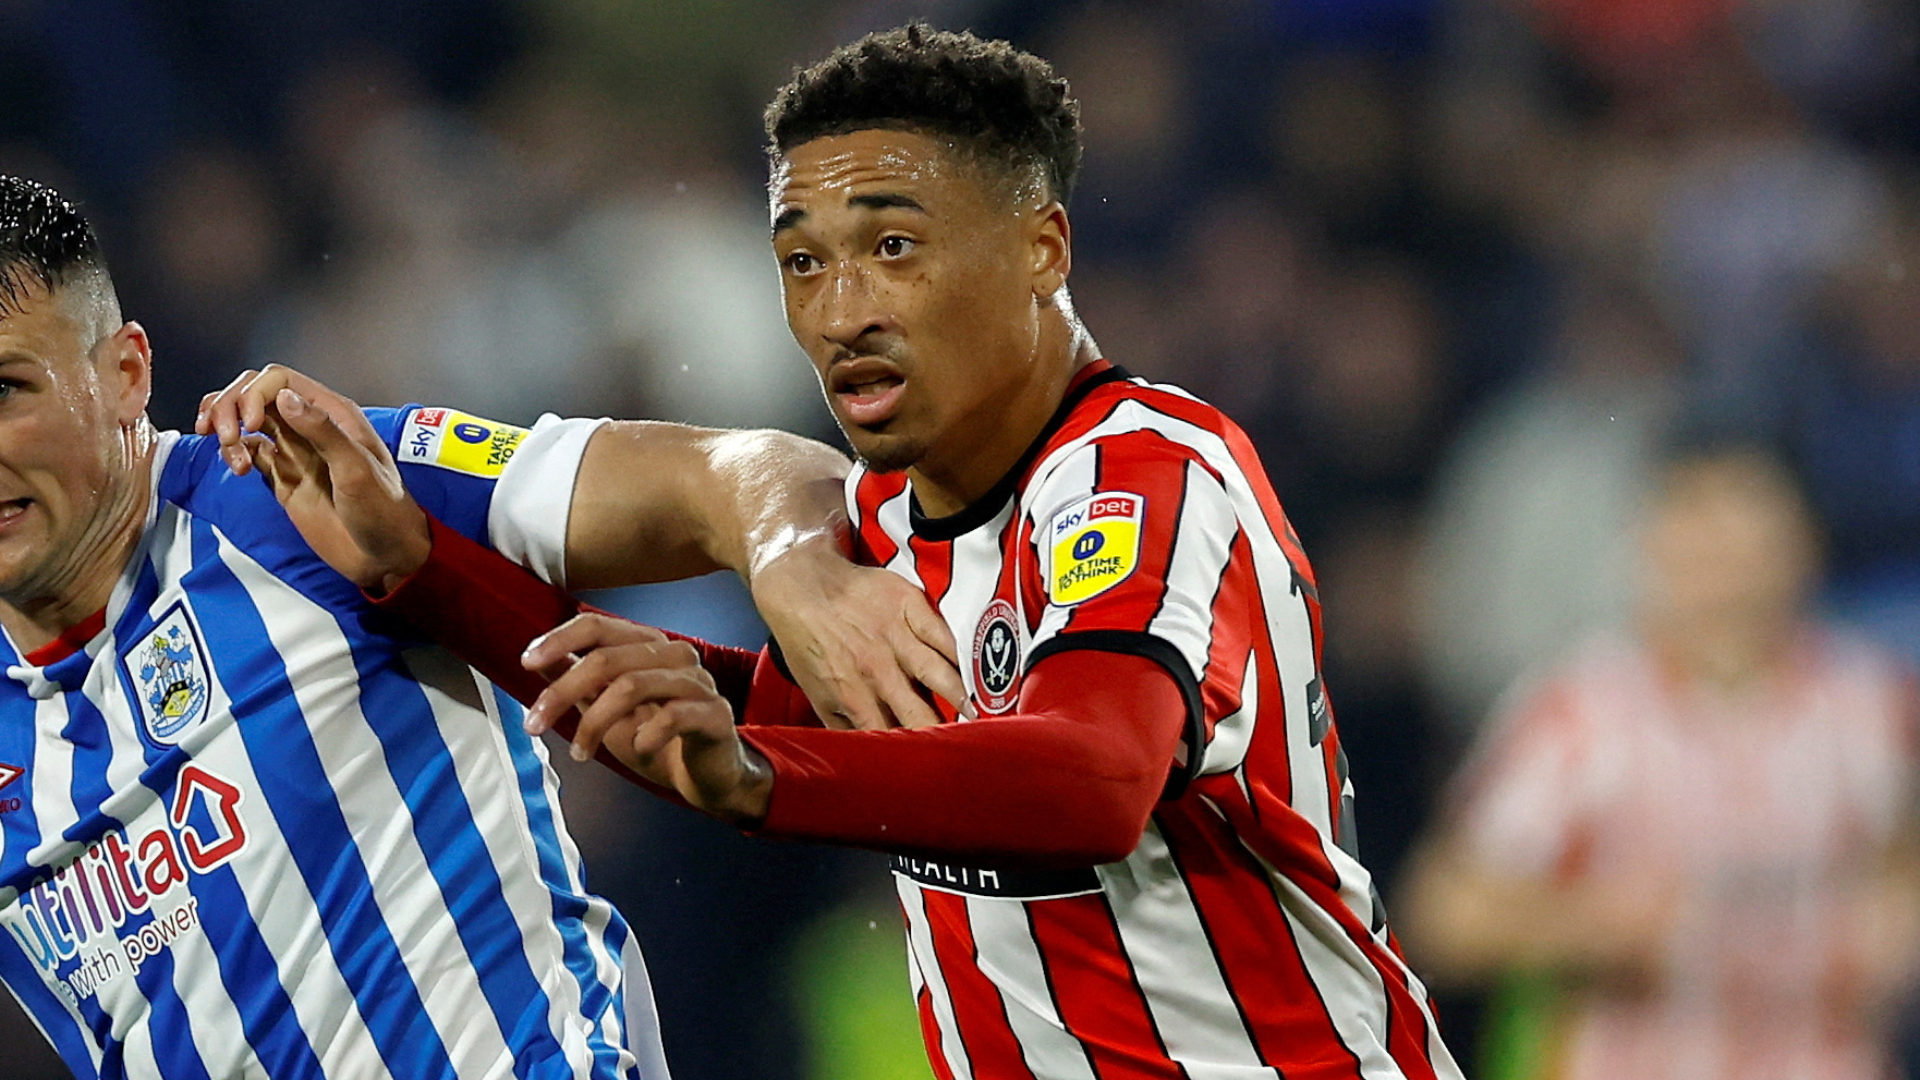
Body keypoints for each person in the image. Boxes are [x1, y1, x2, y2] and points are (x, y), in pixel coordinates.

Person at [212, 25, 1465, 1080]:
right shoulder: (883, 521)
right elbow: (752, 716)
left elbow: (1094, 778)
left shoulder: (1143, 469)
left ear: (1044, 247)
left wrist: (757, 776)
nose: (841, 309)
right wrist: (417, 568)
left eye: (893, 247)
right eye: (802, 262)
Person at [0, 174, 961, 1080]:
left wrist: (795, 566)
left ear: (126, 373)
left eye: (8, 389)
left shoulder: (297, 491)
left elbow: (736, 472)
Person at [1400, 443, 1920, 1080]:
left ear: (1803, 543)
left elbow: (1901, 862)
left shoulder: (1872, 705)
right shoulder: (1582, 714)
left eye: (1743, 520)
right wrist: (1602, 925)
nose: (1718, 554)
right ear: (1647, 543)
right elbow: (1446, 912)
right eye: (1692, 520)